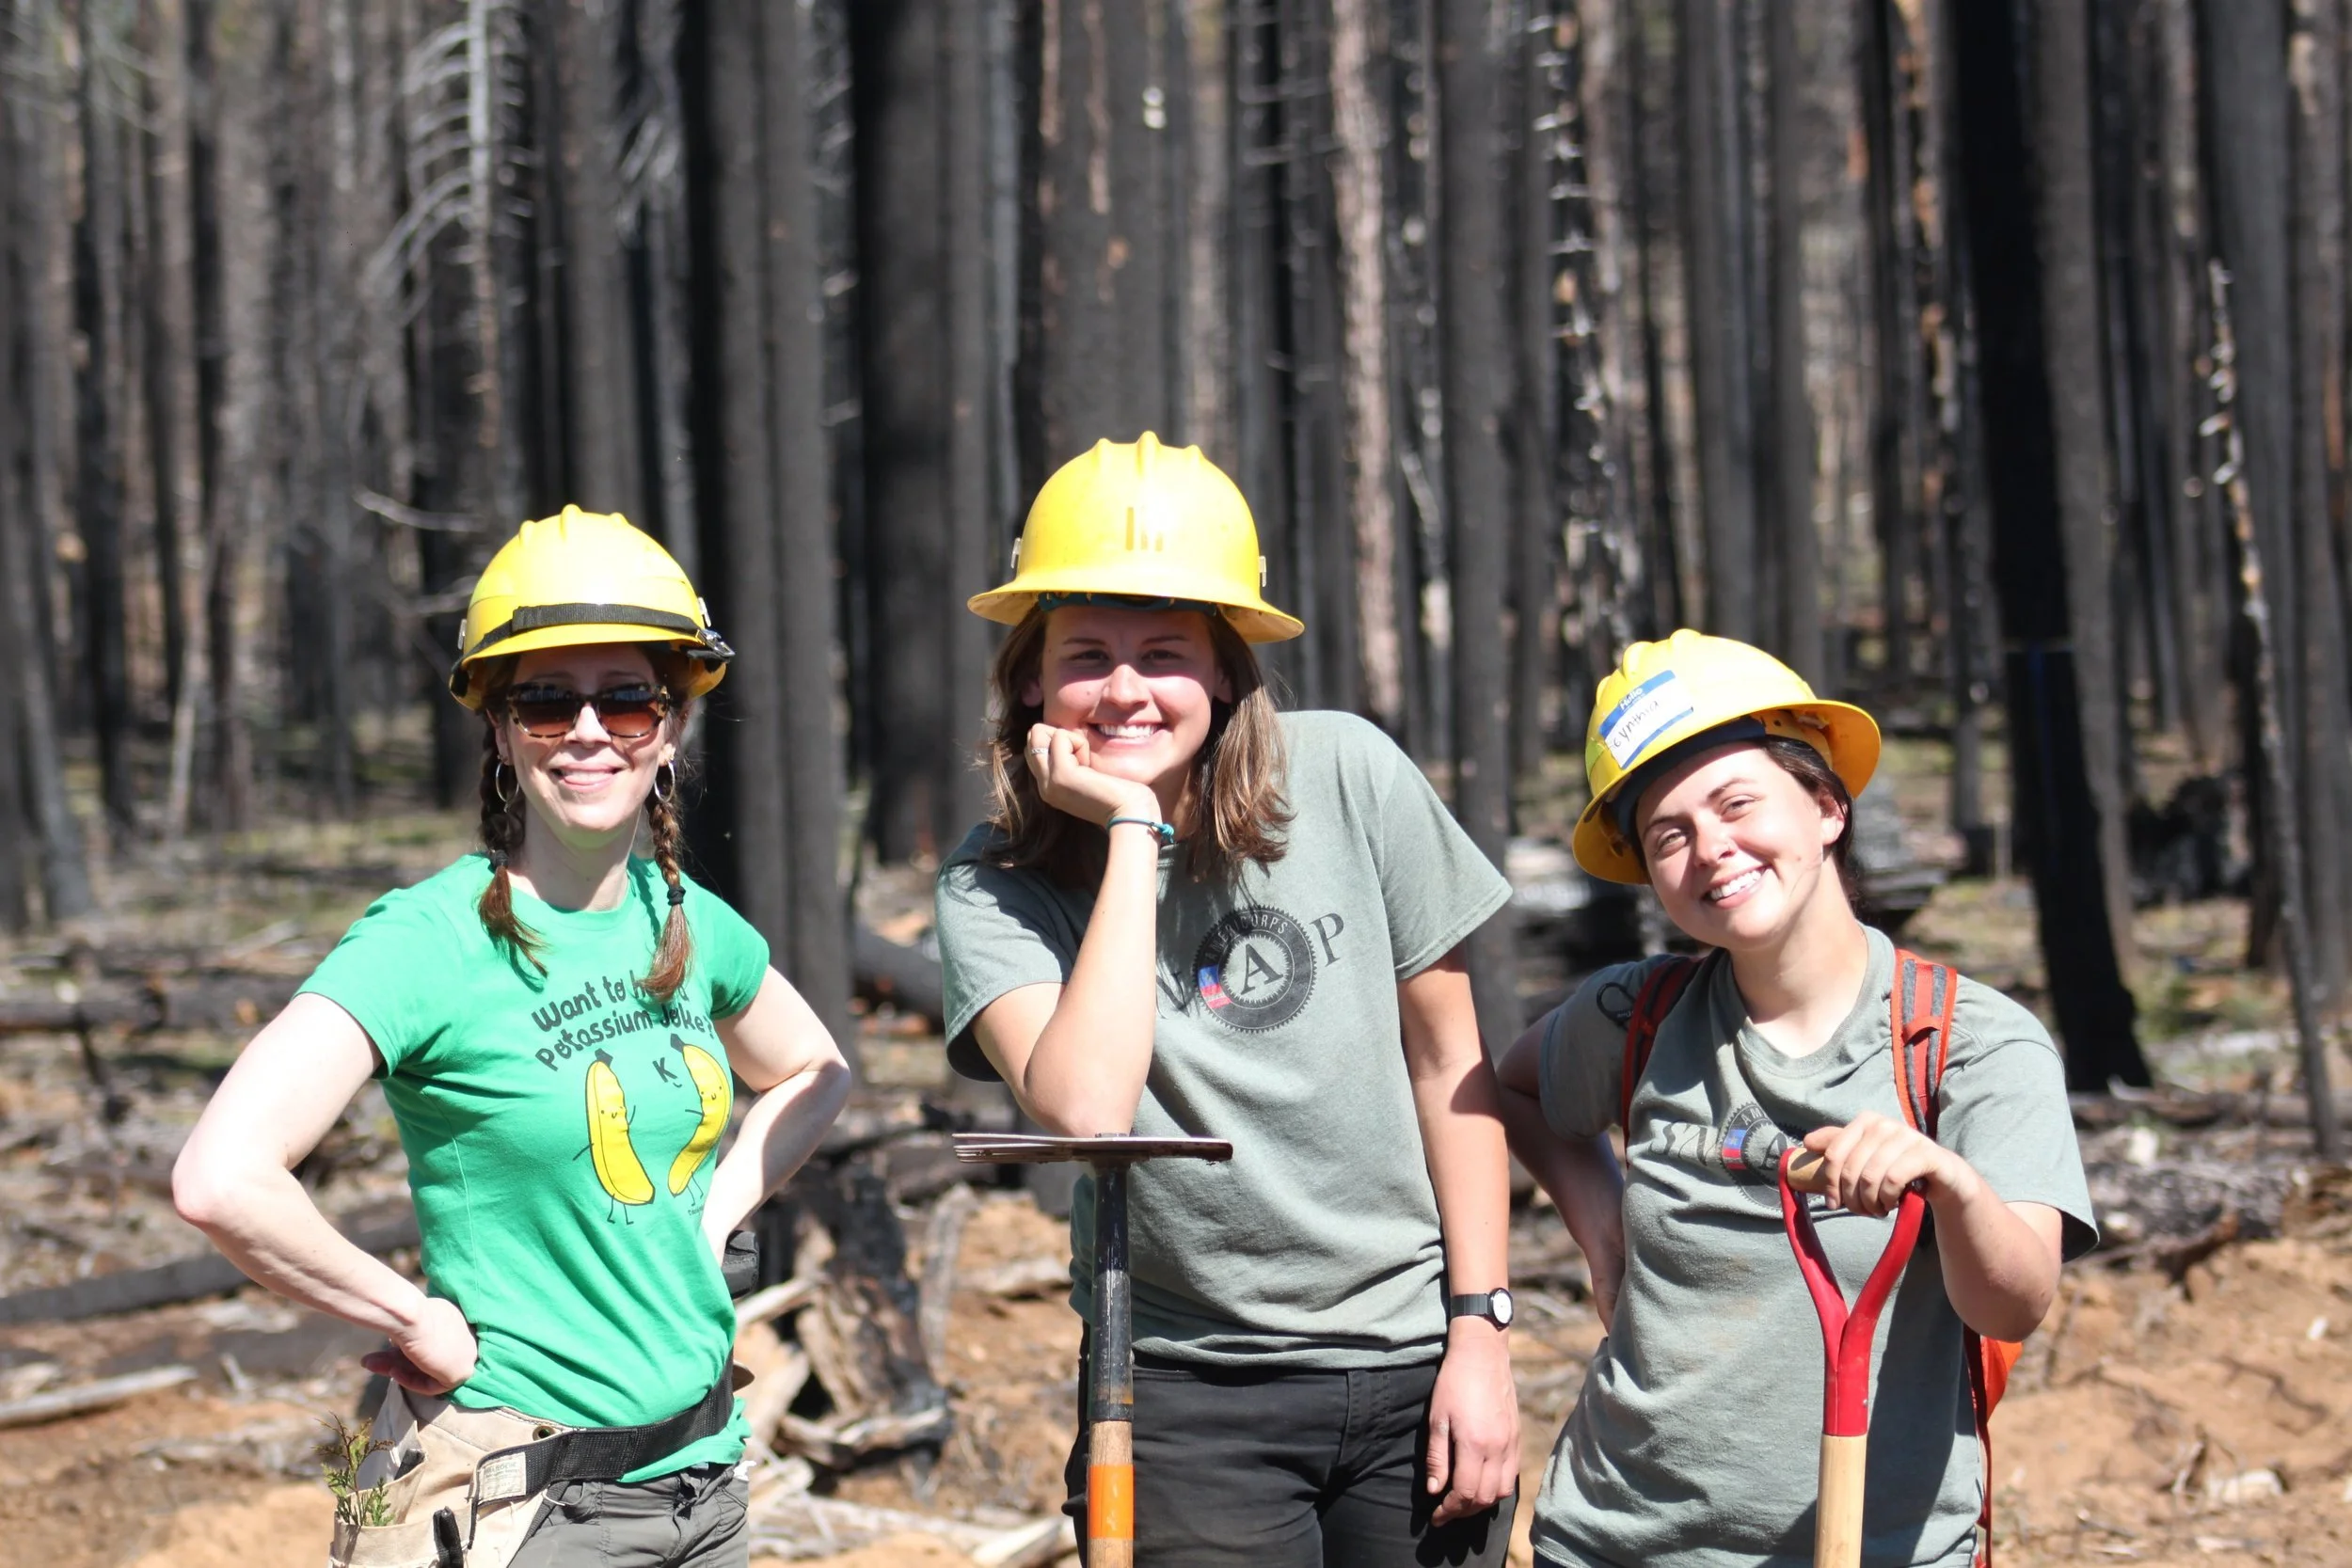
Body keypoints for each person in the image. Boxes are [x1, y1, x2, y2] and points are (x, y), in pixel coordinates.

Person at [174, 507, 850, 1568]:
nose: (588, 728)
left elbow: (817, 1068)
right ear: (498, 728)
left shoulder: (680, 915)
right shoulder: (428, 939)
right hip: (523, 1503)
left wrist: (715, 1212)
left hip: (707, 1480)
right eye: (544, 700)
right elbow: (221, 1177)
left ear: (670, 725)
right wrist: (408, 1315)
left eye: (626, 698)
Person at [934, 433, 1520, 1567]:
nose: (1124, 690)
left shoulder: (1347, 774)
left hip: (1414, 1359)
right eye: (1087, 655)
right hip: (1183, 1391)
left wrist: (1482, 1330)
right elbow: (1089, 1109)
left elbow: (1451, 1064)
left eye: (1164, 654)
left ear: (1221, 671)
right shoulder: (993, 883)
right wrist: (1131, 831)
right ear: (1030, 679)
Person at [1495, 630, 2097, 1568]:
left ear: (1824, 806)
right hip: (1612, 1539)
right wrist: (1601, 1223)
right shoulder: (1635, 1016)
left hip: (1880, 1547)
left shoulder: (1968, 1042)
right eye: (1668, 834)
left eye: (1737, 803)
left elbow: (2013, 1305)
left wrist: (1951, 1185)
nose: (1710, 849)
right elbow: (1515, 1086)